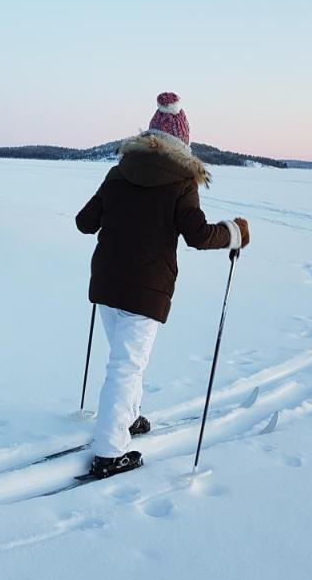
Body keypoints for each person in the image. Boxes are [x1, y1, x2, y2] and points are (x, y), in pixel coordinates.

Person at [75, 92, 250, 479]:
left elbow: (85, 222)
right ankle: (108, 451)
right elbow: (199, 235)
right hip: (147, 287)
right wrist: (234, 233)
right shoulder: (182, 180)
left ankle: (128, 418)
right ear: (182, 143)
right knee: (126, 366)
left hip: (106, 282)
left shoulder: (118, 171)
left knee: (124, 361)